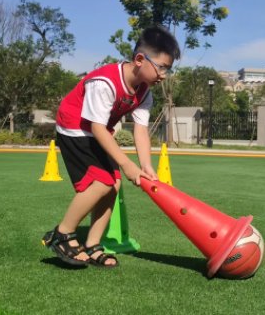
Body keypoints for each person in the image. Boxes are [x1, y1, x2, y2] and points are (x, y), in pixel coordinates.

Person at [42, 26, 180, 268]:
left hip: (97, 129)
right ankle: (63, 234)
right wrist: (127, 164)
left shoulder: (144, 93)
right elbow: (96, 127)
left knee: (113, 184)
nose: (164, 75)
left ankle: (93, 245)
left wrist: (145, 166)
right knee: (101, 182)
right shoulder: (104, 82)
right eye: (161, 67)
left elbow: (140, 130)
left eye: (168, 69)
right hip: (74, 125)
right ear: (140, 59)